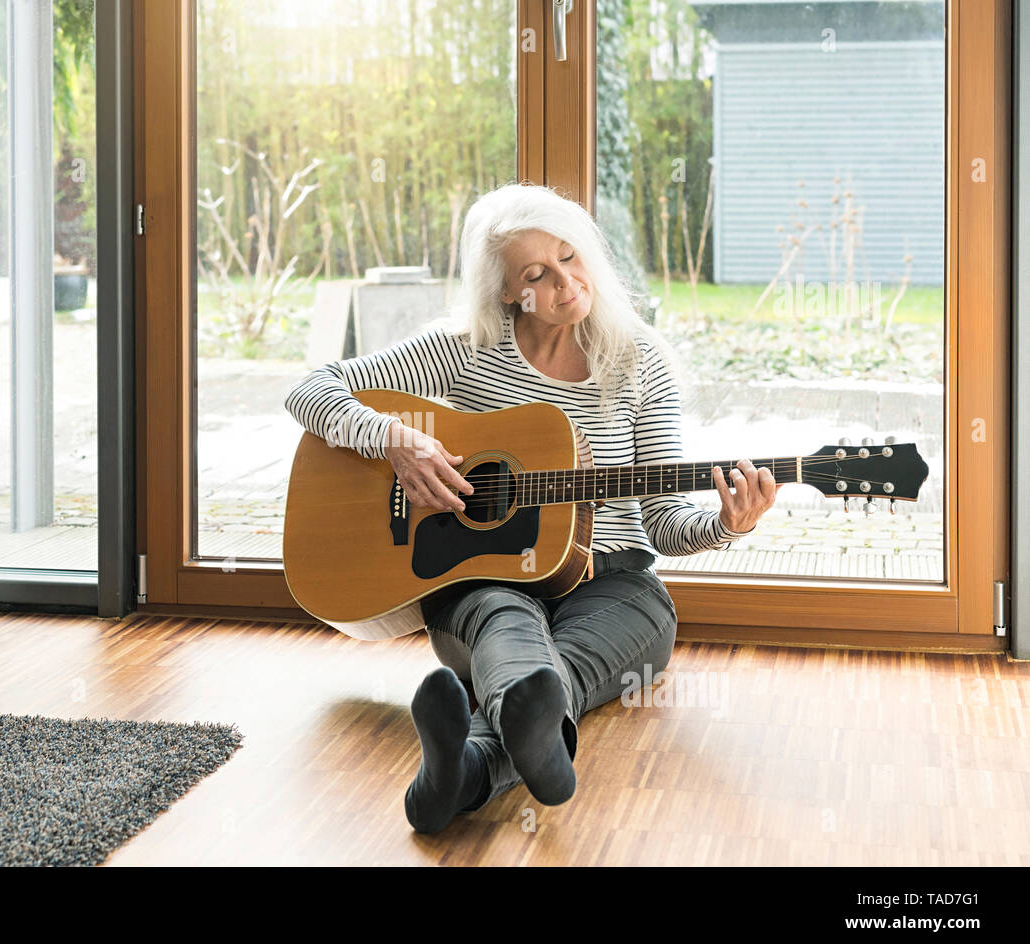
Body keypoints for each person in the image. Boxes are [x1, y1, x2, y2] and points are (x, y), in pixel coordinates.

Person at [282, 182, 779, 833]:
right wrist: (396, 439)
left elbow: (663, 521)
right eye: (537, 274)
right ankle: (530, 737)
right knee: (505, 621)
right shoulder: (461, 351)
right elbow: (310, 388)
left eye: (570, 257)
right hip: (482, 582)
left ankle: (460, 772)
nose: (566, 282)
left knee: (558, 671)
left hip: (614, 586)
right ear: (507, 291)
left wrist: (727, 523)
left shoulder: (638, 361)